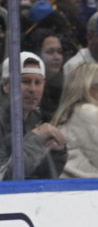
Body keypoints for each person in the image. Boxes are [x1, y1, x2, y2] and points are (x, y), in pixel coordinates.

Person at [0, 52, 67, 180]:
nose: (33, 89)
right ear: (6, 85)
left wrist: (56, 154)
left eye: (38, 82)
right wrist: (36, 140)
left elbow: (41, 178)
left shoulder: (37, 118)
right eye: (25, 81)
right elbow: (5, 179)